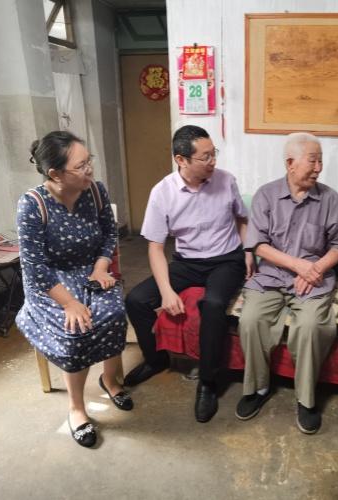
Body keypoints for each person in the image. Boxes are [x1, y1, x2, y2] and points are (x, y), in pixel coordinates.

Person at [124, 125, 253, 423]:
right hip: (187, 262)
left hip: (225, 260)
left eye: (213, 153)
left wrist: (248, 252)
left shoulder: (226, 181)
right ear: (181, 160)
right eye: (205, 157)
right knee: (136, 300)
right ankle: (156, 360)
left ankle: (208, 382)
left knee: (213, 304)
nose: (213, 161)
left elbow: (242, 219)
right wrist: (167, 291)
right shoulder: (162, 192)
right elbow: (156, 248)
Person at [236, 132, 338, 434]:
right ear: (290, 163)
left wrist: (314, 269)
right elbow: (258, 245)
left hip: (313, 278)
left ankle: (306, 399)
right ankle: (258, 388)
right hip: (272, 276)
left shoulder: (331, 200)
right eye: (312, 160)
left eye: (321, 160)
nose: (319, 167)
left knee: (311, 326)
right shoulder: (266, 195)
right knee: (251, 320)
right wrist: (297, 265)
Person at [16, 131, 131, 448]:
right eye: (81, 166)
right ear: (55, 174)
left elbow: (109, 234)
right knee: (77, 328)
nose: (89, 170)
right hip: (50, 283)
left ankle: (109, 380)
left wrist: (101, 267)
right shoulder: (32, 205)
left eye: (88, 161)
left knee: (114, 313)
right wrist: (69, 303)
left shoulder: (95, 191)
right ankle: (77, 409)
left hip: (90, 270)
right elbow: (34, 266)